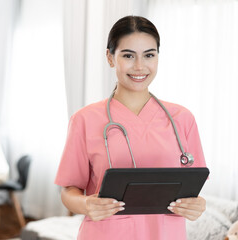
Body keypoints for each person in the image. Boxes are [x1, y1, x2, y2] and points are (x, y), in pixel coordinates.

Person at [54, 16, 207, 240]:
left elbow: (193, 189)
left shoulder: (182, 119)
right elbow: (68, 192)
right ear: (110, 57)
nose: (139, 66)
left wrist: (197, 205)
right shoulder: (84, 119)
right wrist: (87, 204)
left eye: (149, 55)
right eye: (128, 55)